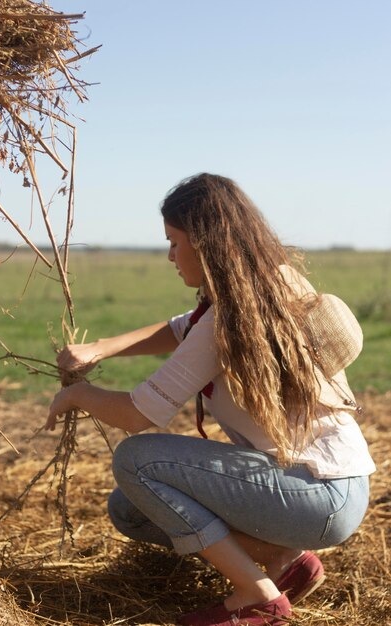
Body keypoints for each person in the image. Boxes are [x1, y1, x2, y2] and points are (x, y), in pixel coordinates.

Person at [46, 173, 376, 626]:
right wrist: (101, 347)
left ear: (205, 244)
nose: (169, 256)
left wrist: (80, 394)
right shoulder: (270, 287)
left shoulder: (227, 320)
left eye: (174, 242)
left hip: (315, 494)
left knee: (136, 461)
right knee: (130, 509)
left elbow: (137, 415)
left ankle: (256, 596)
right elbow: (180, 327)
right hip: (338, 487)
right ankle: (286, 563)